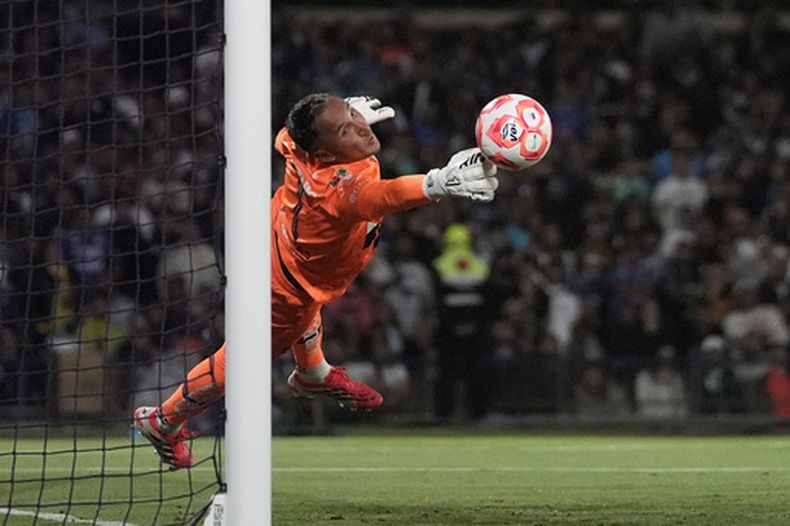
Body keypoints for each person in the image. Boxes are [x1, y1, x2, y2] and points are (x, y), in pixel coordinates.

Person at [133, 94, 499, 468]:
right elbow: (385, 195)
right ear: (324, 155)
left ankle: (313, 372)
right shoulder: (338, 192)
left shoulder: (296, 140)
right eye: (346, 129)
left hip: (277, 234)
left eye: (354, 115)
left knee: (312, 303)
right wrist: (437, 183)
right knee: (242, 360)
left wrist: (344, 118)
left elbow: (286, 133)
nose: (360, 127)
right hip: (286, 289)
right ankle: (162, 421)